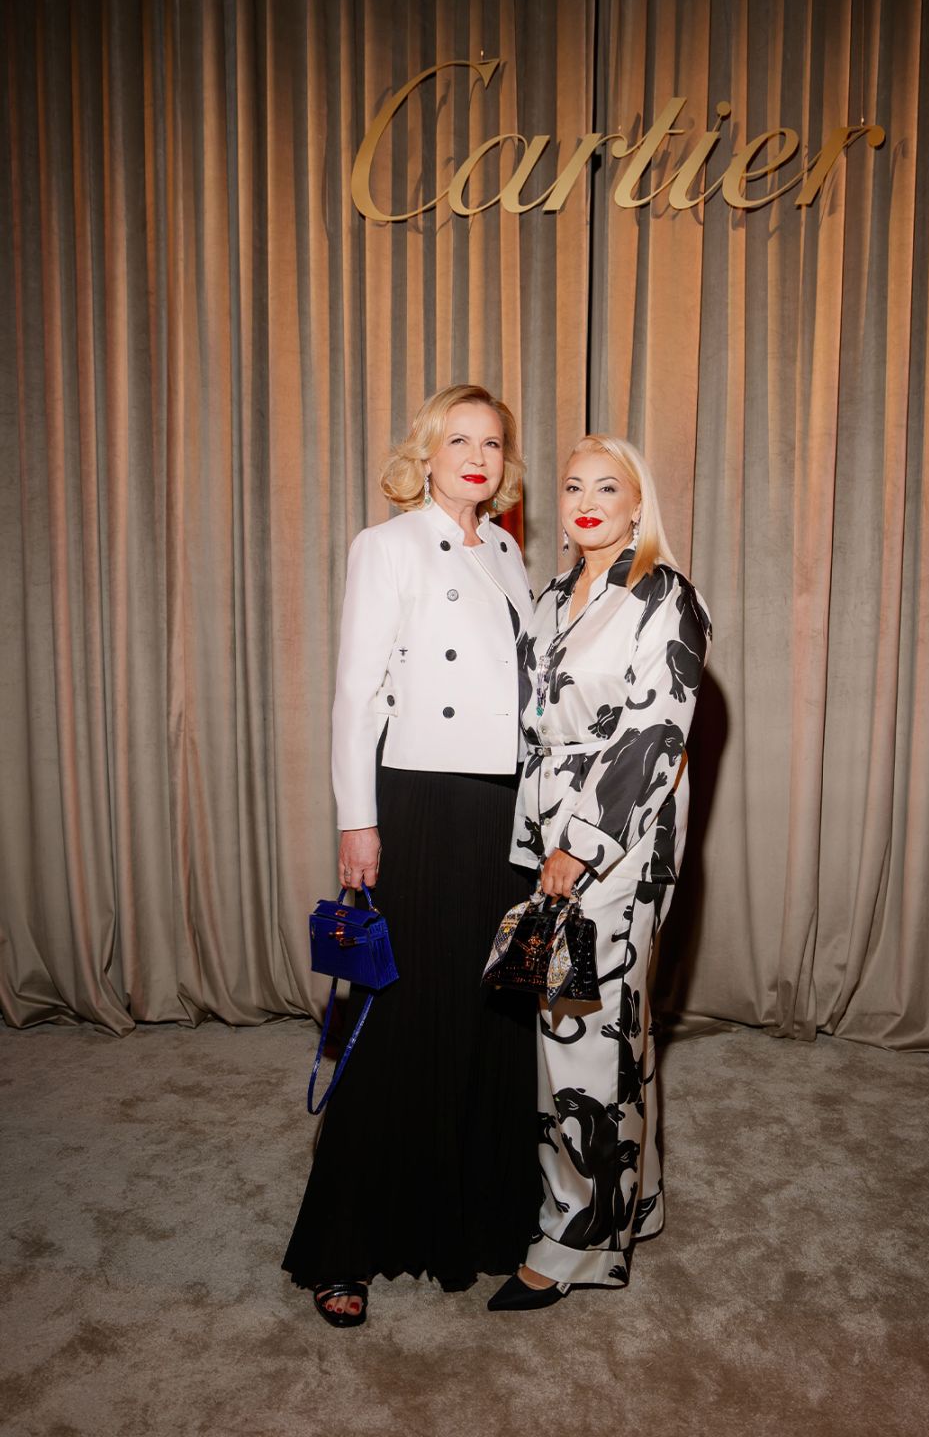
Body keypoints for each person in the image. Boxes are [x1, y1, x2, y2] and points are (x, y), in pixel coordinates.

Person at [283, 384, 541, 1326]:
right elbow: (357, 693)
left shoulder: (508, 551)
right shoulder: (385, 545)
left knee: (493, 1007)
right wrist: (358, 820)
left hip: (505, 808)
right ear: (426, 454)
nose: (476, 456)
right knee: (398, 1012)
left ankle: (477, 1219)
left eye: (492, 443)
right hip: (422, 799)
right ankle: (344, 1245)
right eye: (457, 439)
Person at [487, 434, 711, 1312]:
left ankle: (575, 1241)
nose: (585, 502)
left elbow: (654, 736)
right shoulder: (551, 596)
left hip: (614, 842)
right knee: (612, 1024)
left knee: (576, 1029)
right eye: (574, 486)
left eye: (606, 487)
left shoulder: (665, 596)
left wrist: (578, 846)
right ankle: (630, 1200)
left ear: (635, 503)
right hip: (544, 831)